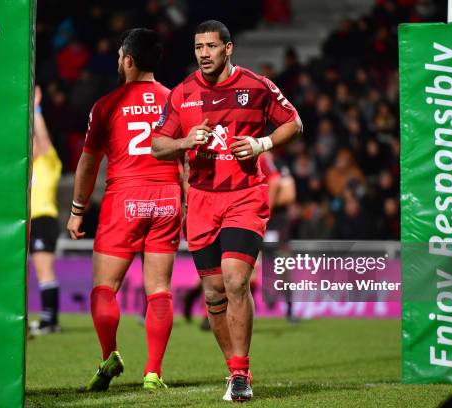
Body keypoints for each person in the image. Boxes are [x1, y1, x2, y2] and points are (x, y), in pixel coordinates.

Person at [152, 20, 302, 402]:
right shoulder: (183, 92)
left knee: (236, 281)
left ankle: (240, 372)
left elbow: (294, 123)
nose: (203, 53)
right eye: (198, 46)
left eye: (211, 46)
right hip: (201, 200)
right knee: (214, 292)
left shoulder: (256, 86)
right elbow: (157, 145)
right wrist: (185, 140)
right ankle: (233, 369)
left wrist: (260, 144)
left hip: (244, 196)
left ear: (229, 48)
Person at [67, 28, 180, 391]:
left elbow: (88, 164)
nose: (118, 62)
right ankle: (153, 373)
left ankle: (110, 356)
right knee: (159, 290)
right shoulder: (174, 100)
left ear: (129, 60)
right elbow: (187, 156)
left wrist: (77, 209)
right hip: (166, 198)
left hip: (125, 200)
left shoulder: (106, 104)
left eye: (119, 57)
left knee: (104, 289)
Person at [29, 85, 63, 335]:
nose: (32, 146)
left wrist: (36, 109)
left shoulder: (49, 162)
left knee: (44, 270)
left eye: (34, 143)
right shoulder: (27, 169)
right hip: (29, 222)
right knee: (37, 270)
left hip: (44, 219)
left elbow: (43, 138)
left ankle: (50, 321)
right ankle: (47, 320)